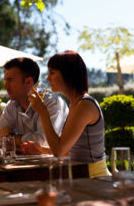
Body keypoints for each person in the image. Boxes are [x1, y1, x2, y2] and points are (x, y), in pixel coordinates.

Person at [28, 50, 111, 178]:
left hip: (95, 178)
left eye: (52, 73)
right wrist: (41, 150)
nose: (47, 78)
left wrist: (43, 112)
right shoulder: (74, 104)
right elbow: (70, 150)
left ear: (68, 75)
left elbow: (59, 151)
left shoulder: (85, 105)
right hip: (80, 175)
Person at [0, 57, 69, 154]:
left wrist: (10, 137)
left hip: (57, 167)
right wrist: (14, 143)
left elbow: (44, 142)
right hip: (26, 166)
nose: (5, 86)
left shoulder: (52, 102)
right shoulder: (12, 105)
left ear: (28, 82)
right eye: (5, 80)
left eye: (10, 80)